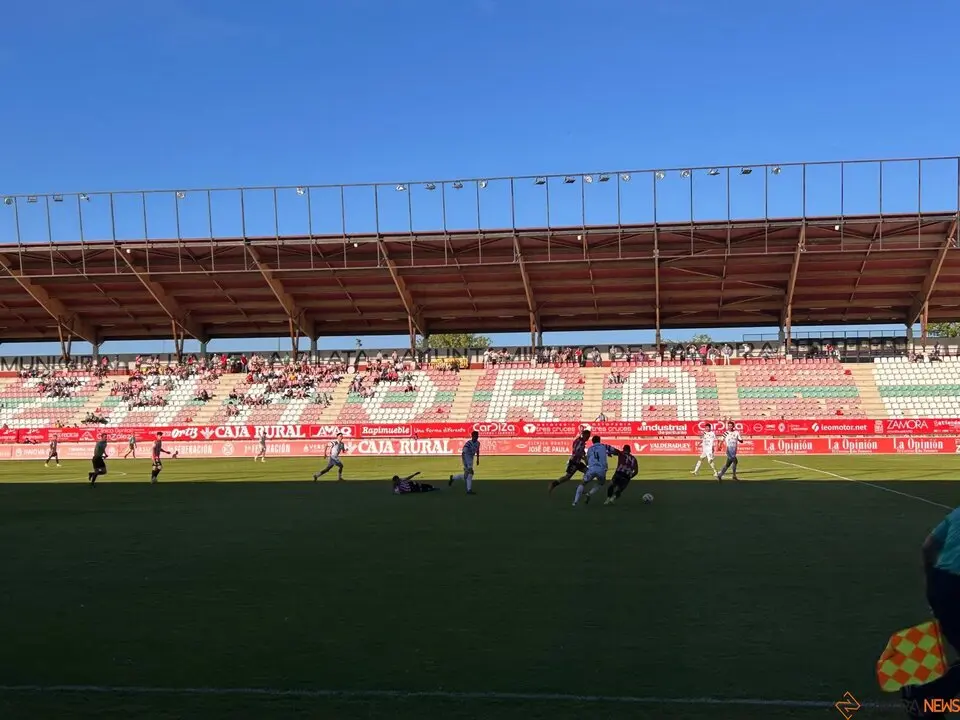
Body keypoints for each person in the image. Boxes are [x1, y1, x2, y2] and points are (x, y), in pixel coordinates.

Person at [900, 507, 960, 718]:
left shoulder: (958, 513)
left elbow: (928, 548)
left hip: (940, 584)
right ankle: (925, 696)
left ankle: (926, 696)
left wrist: (931, 586)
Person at [573, 435, 615, 506]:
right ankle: (589, 493)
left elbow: (587, 461)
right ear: (599, 440)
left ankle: (575, 502)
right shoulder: (603, 446)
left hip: (592, 469)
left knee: (582, 483)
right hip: (601, 470)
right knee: (601, 483)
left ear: (592, 441)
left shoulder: (590, 449)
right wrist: (609, 453)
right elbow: (613, 450)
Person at [549, 429, 591, 494]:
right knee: (567, 477)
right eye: (587, 437)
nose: (588, 438)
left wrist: (585, 458)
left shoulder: (580, 441)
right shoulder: (580, 442)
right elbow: (576, 452)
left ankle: (580, 487)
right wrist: (583, 458)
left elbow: (581, 451)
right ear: (584, 435)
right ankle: (554, 484)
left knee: (588, 472)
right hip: (574, 462)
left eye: (589, 437)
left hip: (578, 462)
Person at [449, 430, 480, 495]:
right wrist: (464, 462)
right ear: (472, 436)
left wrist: (477, 459)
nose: (476, 437)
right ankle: (469, 490)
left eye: (477, 436)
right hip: (466, 458)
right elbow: (463, 453)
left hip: (471, 459)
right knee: (470, 473)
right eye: (475, 436)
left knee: (466, 476)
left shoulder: (478, 443)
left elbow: (477, 451)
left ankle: (453, 477)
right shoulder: (468, 443)